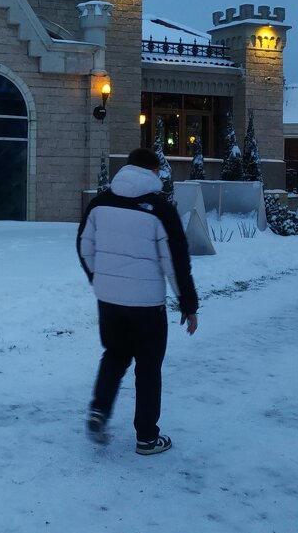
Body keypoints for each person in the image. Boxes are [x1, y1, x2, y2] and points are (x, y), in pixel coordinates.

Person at [76, 147, 199, 455]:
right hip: (146, 306)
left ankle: (98, 412)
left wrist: (100, 280)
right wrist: (188, 303)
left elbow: (84, 246)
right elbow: (175, 260)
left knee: (114, 355)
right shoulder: (159, 209)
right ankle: (146, 437)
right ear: (153, 172)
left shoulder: (100, 203)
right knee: (148, 367)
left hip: (109, 301)